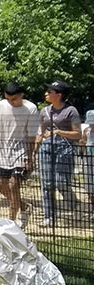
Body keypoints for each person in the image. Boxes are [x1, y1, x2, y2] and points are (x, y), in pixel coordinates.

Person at [0, 82, 38, 229]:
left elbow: (31, 136)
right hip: (2, 151)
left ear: (21, 95)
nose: (11, 102)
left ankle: (11, 222)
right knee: (1, 186)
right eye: (8, 98)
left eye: (14, 99)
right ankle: (24, 206)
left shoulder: (31, 109)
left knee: (14, 184)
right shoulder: (0, 106)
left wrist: (30, 156)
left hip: (20, 151)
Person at [35, 80, 81, 227]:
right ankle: (49, 217)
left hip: (65, 148)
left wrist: (59, 132)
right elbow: (41, 133)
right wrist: (34, 150)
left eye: (50, 92)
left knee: (61, 182)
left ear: (59, 95)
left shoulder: (71, 111)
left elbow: (77, 134)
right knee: (47, 183)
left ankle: (73, 203)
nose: (46, 94)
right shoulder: (44, 111)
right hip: (47, 148)